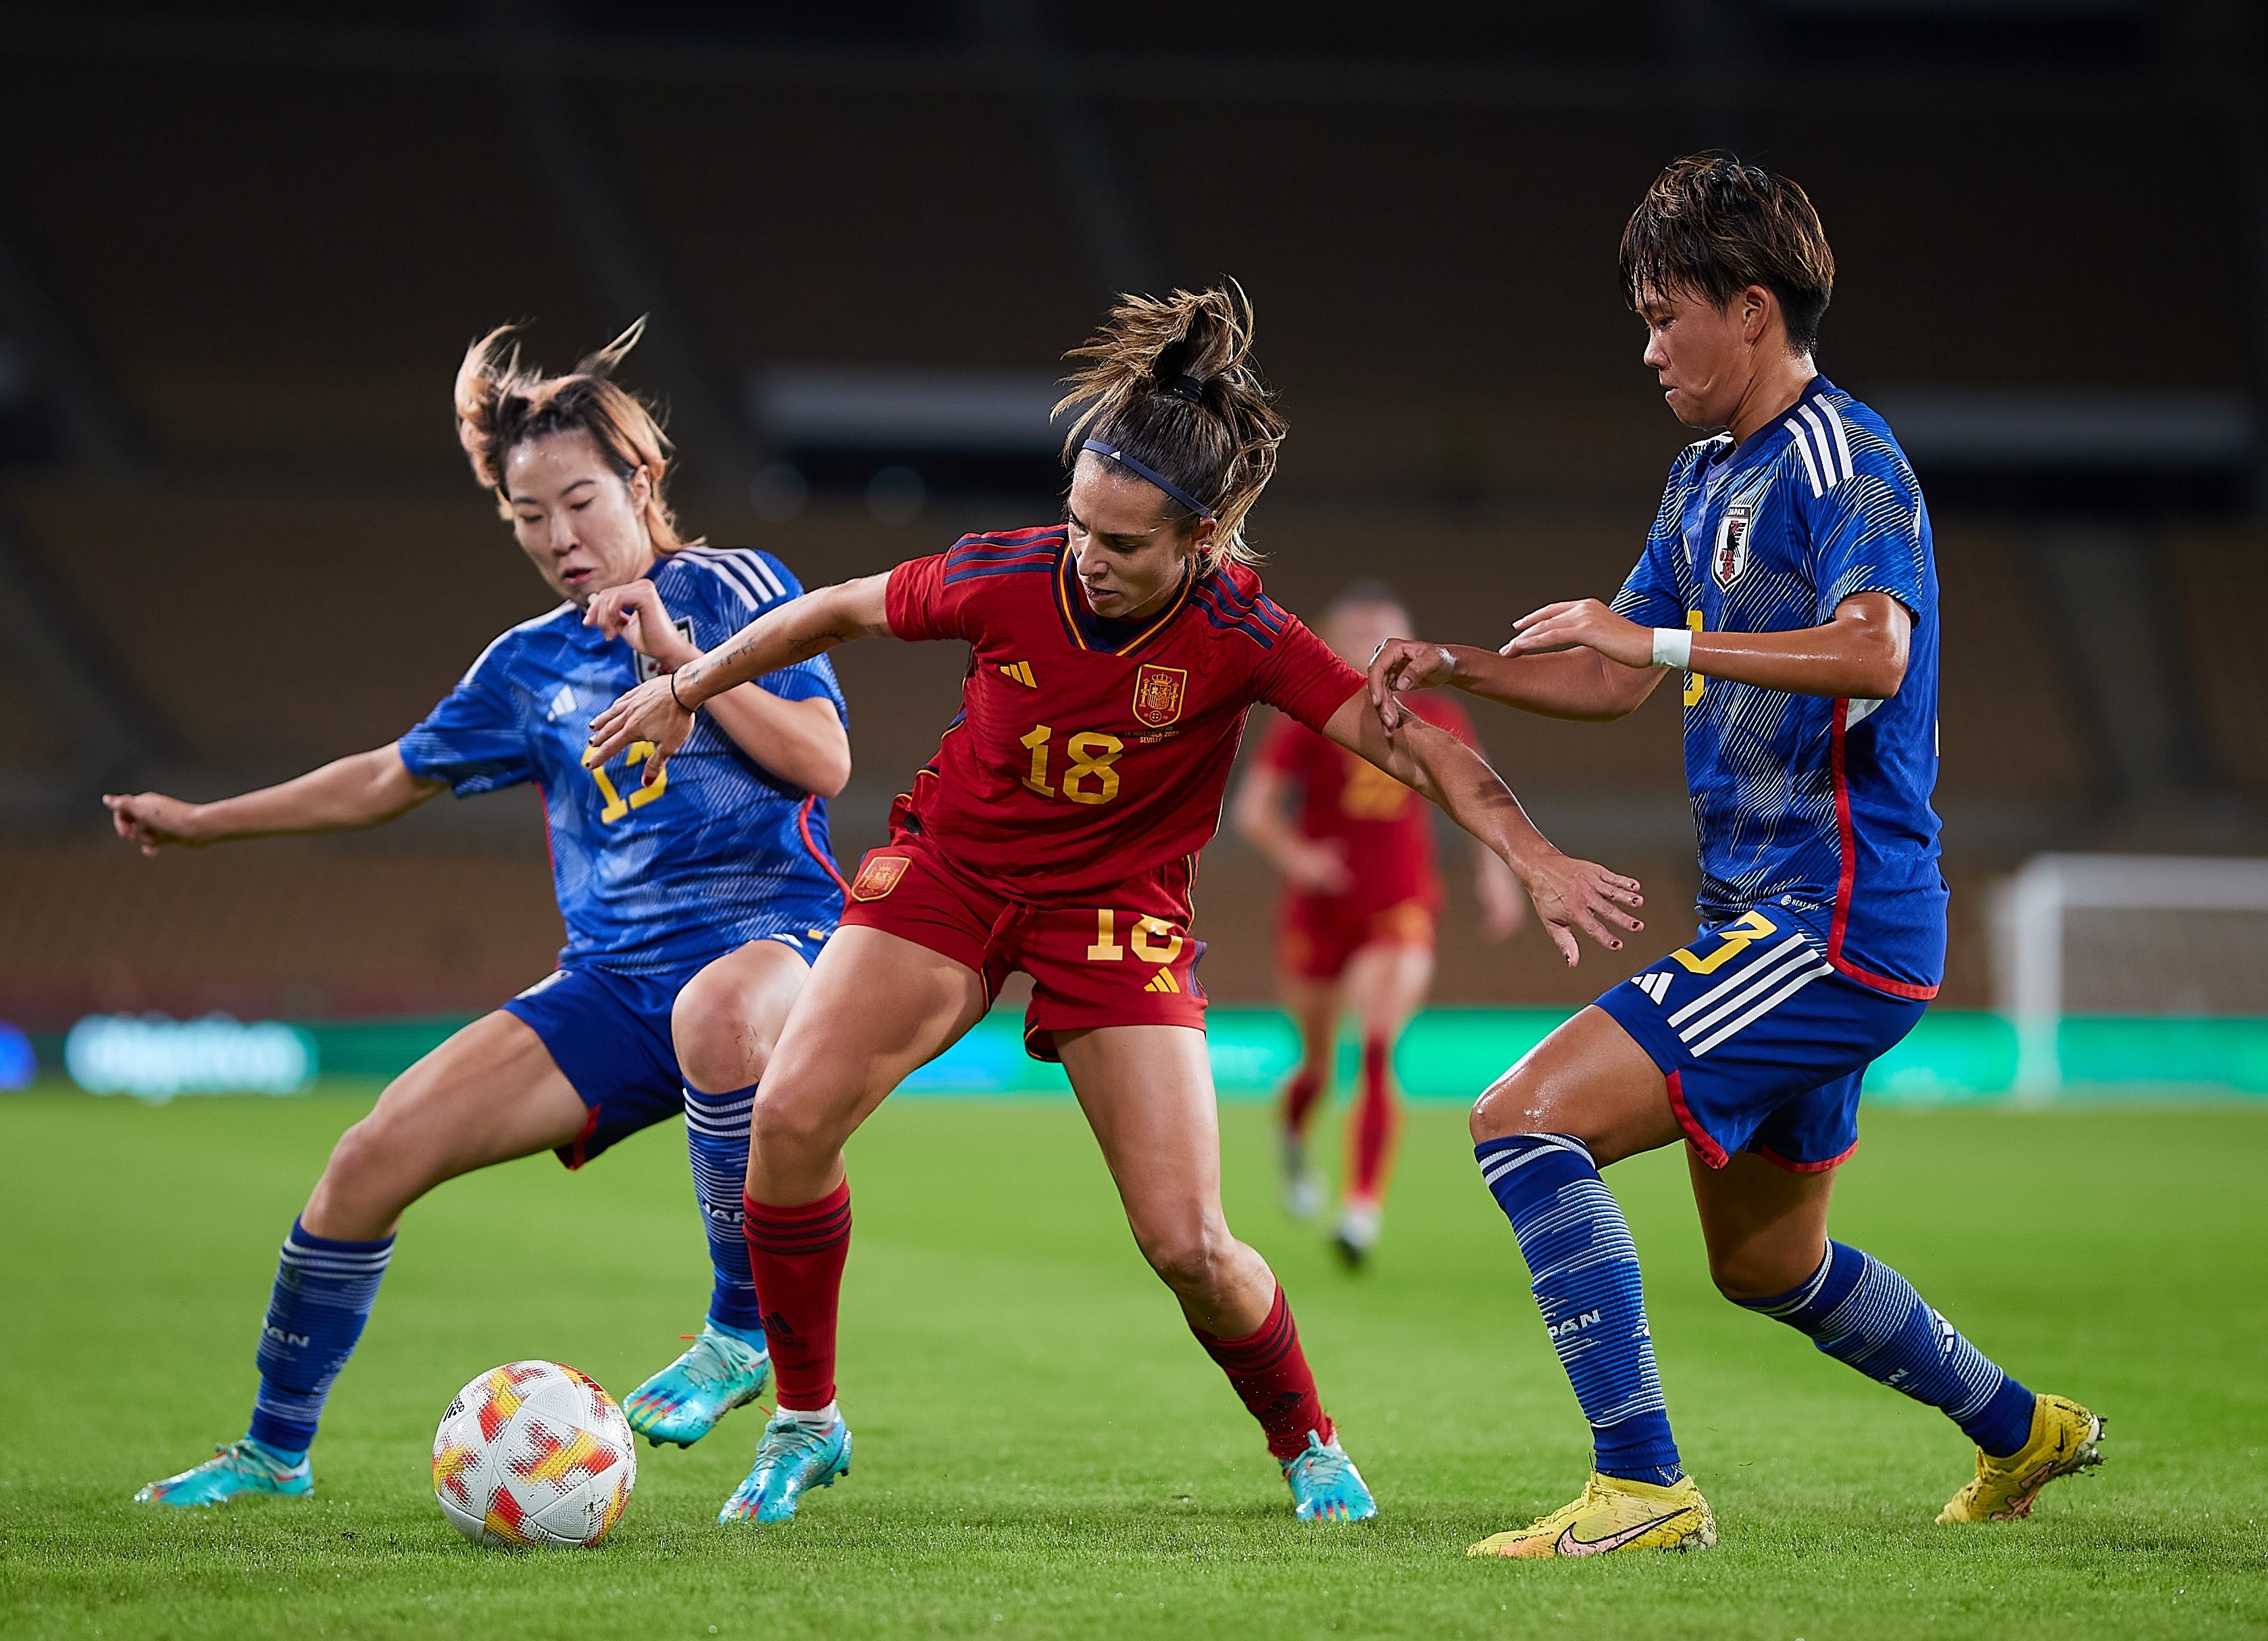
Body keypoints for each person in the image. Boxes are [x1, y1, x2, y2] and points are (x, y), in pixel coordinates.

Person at [584, 284, 1646, 1527]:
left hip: (1115, 912)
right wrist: (689, 684)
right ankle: (807, 1419)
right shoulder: (1006, 573)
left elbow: (1409, 747)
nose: (1087, 551)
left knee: (1188, 1242)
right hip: (953, 871)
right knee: (791, 1115)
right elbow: (835, 609)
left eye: (1123, 540)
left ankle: (1307, 1439)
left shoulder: (1244, 633)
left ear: (1200, 539)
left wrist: (1527, 850)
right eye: (1080, 521)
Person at [1370, 153, 2102, 1559]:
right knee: (1763, 1257)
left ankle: (1641, 1485)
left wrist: (1644, 635)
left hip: (1829, 921)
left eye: (1664, 316)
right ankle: (2022, 1427)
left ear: (1750, 309)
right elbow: (1610, 675)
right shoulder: (1702, 471)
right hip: (1777, 918)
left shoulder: (1843, 455)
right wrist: (1454, 664)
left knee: (1519, 1117)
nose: (1647, 349)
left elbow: (1873, 652)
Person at [112, 323, 852, 1506]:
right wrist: (206, 821)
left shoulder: (735, 587)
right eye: (528, 515)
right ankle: (270, 1451)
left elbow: (823, 761)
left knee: (720, 1011)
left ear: (642, 483)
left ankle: (737, 1328)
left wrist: (683, 666)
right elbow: (381, 778)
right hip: (613, 984)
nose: (559, 537)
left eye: (579, 500)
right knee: (368, 1159)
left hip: (781, 944)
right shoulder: (528, 666)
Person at [1234, 582, 1523, 1266]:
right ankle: (1296, 1139)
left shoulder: (1440, 714)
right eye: (1361, 634)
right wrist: (1300, 856)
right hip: (1320, 912)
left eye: (1388, 635)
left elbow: (1479, 797)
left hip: (1400, 905)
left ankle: (1361, 1208)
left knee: (1374, 1048)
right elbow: (1254, 811)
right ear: (1332, 643)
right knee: (1314, 1064)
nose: (1377, 647)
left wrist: (1496, 874)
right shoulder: (1306, 718)